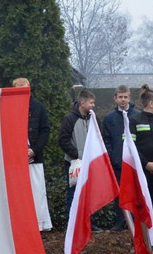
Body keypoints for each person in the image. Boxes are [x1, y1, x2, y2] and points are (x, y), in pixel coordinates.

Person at [13, 77, 52, 231]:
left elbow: (45, 130)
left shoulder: (38, 107)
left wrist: (34, 150)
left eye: (26, 89)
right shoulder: (8, 107)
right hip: (14, 158)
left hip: (34, 157)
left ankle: (39, 225)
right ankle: (20, 225)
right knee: (17, 194)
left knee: (37, 192)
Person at [58, 89, 97, 216]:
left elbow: (98, 137)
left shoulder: (94, 119)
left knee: (89, 193)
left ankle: (87, 221)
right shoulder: (69, 119)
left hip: (89, 162)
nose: (93, 105)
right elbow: (63, 140)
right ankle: (73, 222)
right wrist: (78, 154)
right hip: (73, 163)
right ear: (82, 103)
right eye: (91, 103)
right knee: (73, 192)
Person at [102, 85, 135, 231]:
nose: (123, 100)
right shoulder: (109, 118)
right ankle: (121, 221)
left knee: (134, 192)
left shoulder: (137, 116)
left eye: (125, 97)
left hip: (134, 163)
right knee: (119, 194)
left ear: (129, 98)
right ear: (115, 98)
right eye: (120, 97)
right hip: (117, 163)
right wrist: (112, 156)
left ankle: (134, 221)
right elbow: (106, 139)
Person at [130, 84, 153, 202]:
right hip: (142, 172)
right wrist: (145, 163)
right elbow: (129, 147)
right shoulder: (134, 121)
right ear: (151, 104)